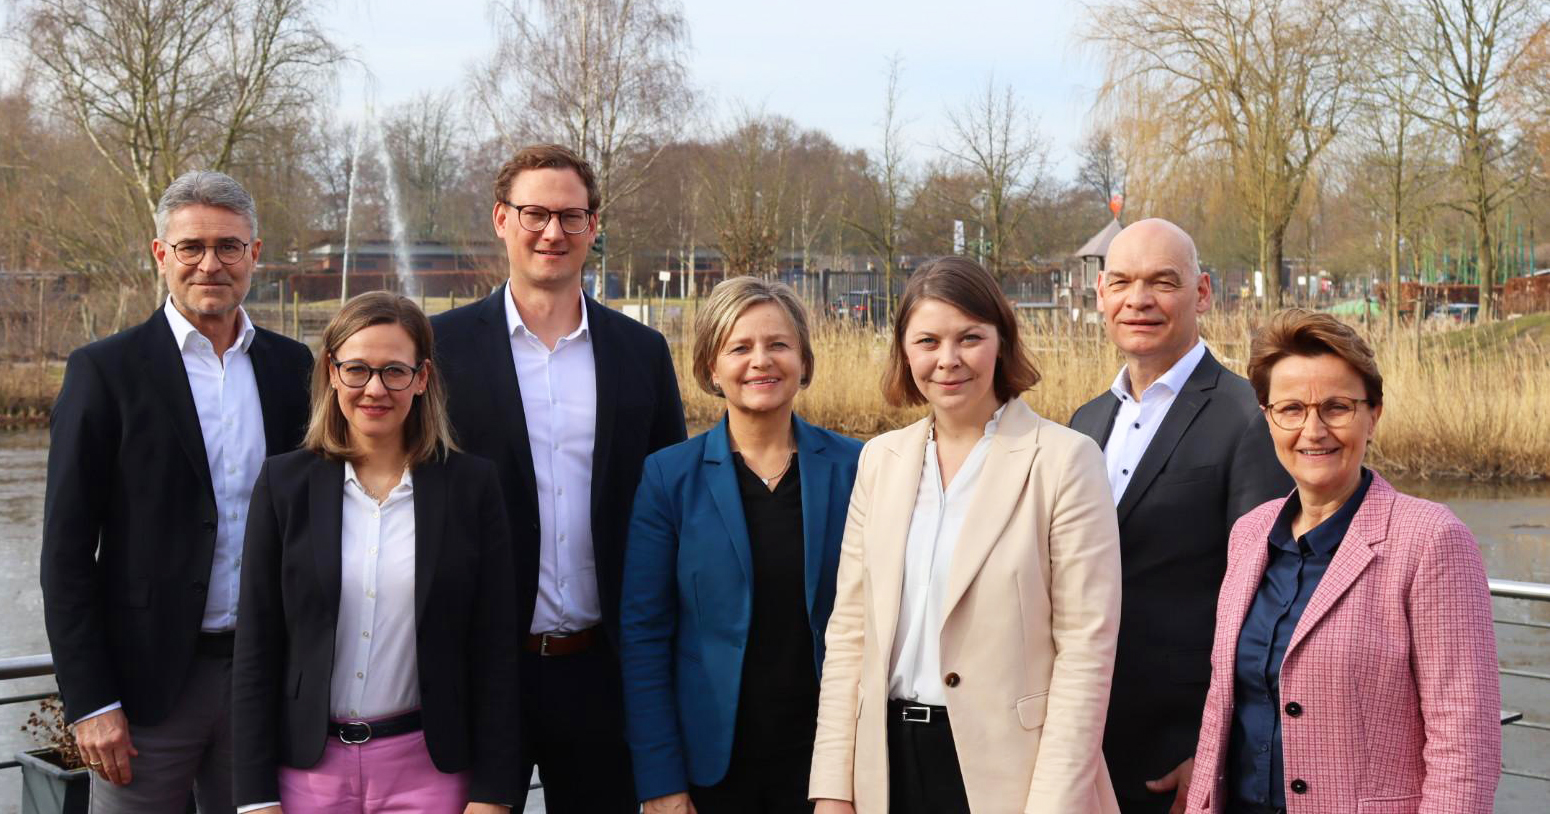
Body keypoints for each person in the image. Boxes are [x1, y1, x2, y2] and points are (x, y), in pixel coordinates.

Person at [39, 171, 312, 812]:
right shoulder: (104, 373)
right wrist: (92, 702)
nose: (209, 264)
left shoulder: (293, 368)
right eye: (191, 247)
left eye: (228, 246)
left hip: (266, 677)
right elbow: (66, 553)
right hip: (144, 694)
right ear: (161, 254)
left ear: (255, 254)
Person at [810, 256, 1122, 814]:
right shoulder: (880, 461)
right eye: (927, 340)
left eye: (969, 338)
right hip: (887, 767)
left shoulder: (1064, 461)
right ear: (905, 352)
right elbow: (851, 634)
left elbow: (1086, 653)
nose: (948, 360)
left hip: (1014, 776)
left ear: (1001, 341)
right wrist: (834, 787)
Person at [431, 143, 687, 812]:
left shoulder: (640, 353)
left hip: (600, 670)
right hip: (480, 669)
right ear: (500, 219)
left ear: (593, 226)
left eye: (571, 216)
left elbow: (669, 511)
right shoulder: (438, 350)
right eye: (535, 213)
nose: (553, 232)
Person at [1186, 309, 1500, 814]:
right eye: (1290, 408)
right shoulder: (1249, 535)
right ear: (1267, 418)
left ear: (1372, 414)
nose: (1313, 430)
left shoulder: (1430, 541)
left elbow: (1465, 748)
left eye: (1336, 407)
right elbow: (1224, 706)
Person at [231, 292, 518, 814]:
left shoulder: (472, 488)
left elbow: (495, 651)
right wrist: (254, 800)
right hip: (307, 775)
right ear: (332, 372)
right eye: (357, 369)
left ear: (422, 377)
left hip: (429, 773)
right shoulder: (283, 485)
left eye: (394, 371)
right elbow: (256, 649)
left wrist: (493, 795)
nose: (375, 389)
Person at [1069, 218, 1291, 814]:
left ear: (1202, 293)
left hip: (1178, 757)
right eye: (1120, 283)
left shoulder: (1249, 419)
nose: (1138, 300)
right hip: (1079, 747)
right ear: (1101, 297)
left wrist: (1215, 750)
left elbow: (1265, 604)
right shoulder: (1083, 425)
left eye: (1162, 282)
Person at [621, 277, 863, 814]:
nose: (762, 361)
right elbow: (644, 637)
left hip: (829, 766)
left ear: (803, 359)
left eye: (778, 344)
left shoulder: (859, 468)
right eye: (739, 347)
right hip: (710, 771)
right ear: (712, 366)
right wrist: (660, 781)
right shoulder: (669, 478)